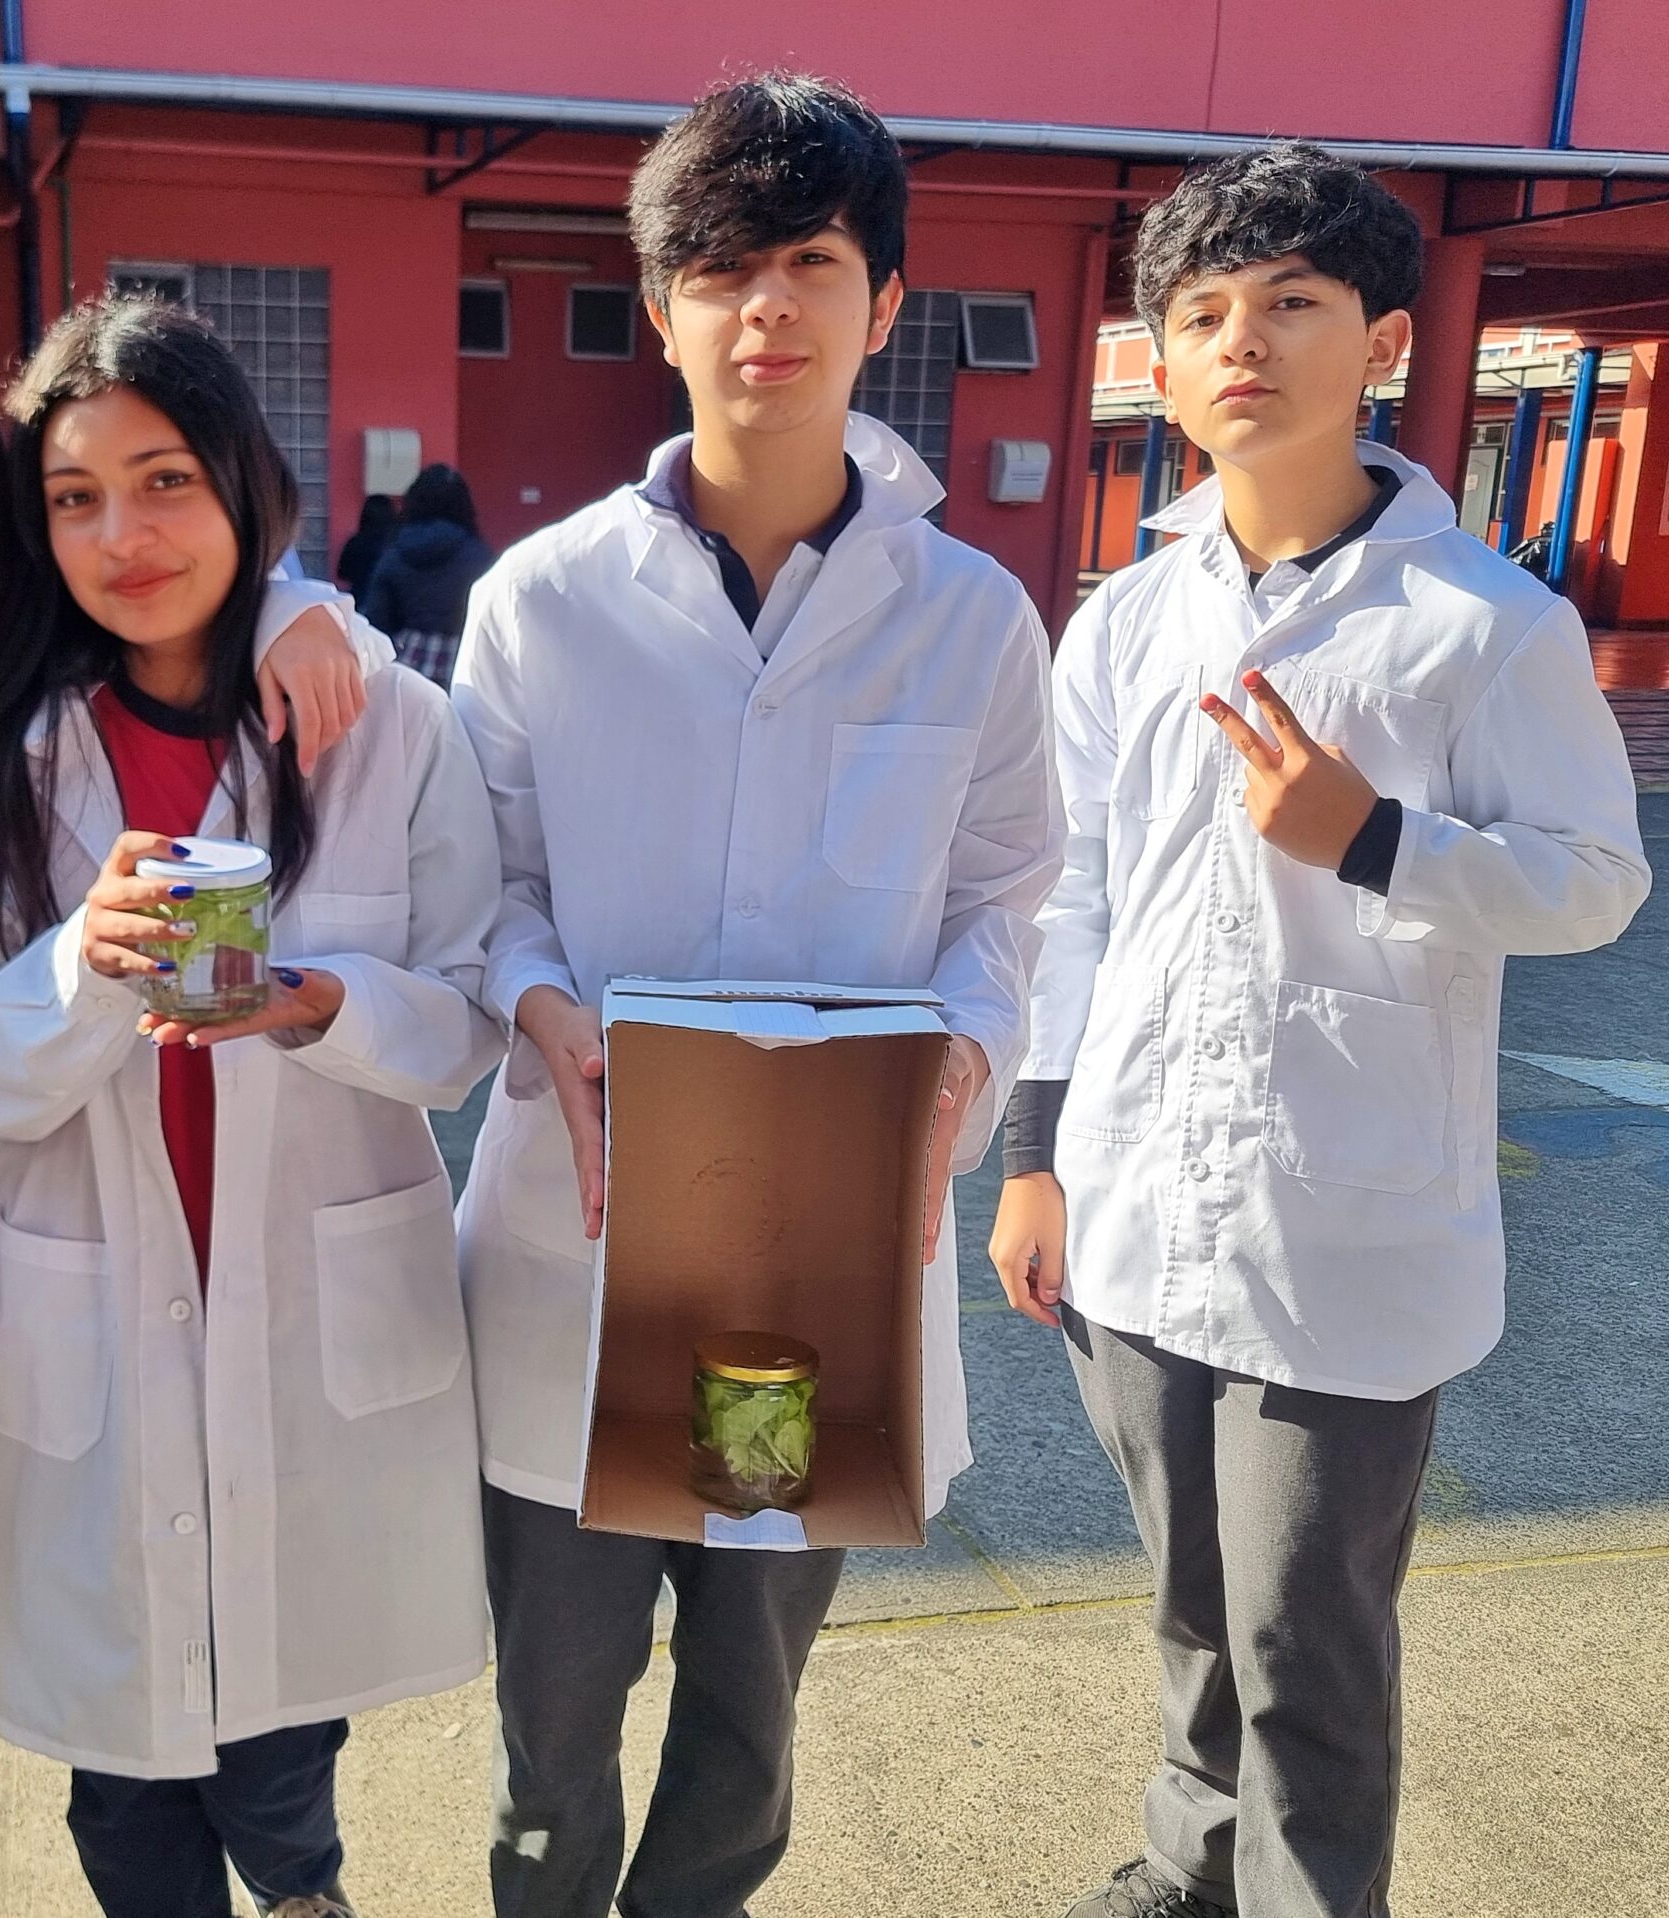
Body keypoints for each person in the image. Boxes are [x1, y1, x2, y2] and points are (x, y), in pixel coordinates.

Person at [987, 144, 1652, 1918]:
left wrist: (1375, 840)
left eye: (1292, 302)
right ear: (1160, 364)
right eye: (1204, 312)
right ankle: (1189, 1860)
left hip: (1339, 1217)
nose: (1245, 342)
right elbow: (1073, 900)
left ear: (1383, 342)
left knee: (1309, 1635)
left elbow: (1597, 880)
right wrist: (1036, 1153)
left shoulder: (1481, 626)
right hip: (1133, 1193)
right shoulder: (1125, 622)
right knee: (1193, 1601)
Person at [452, 75, 1058, 1918]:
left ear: (886, 302)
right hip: (583, 1248)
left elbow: (1011, 894)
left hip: (818, 1279)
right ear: (661, 310)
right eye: (720, 269)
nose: (766, 308)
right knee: (551, 1723)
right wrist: (541, 1008)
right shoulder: (544, 600)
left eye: (812, 262)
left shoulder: (970, 617)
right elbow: (482, 887)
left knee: (746, 1707)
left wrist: (962, 1059)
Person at [0, 296, 503, 1918]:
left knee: (282, 1727)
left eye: (164, 480)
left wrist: (324, 1005)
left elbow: (463, 1019)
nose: (125, 535)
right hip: (88, 1306)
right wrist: (79, 966)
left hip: (306, 1302)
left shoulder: (387, 727)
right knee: (121, 1748)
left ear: (244, 485)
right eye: (75, 496)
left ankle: (304, 1892)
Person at [360, 463, 494, 686]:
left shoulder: (394, 553)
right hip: (464, 667)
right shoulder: (480, 557)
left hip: (405, 669)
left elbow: (377, 620)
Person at [333, 491, 397, 598]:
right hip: (389, 597)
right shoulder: (395, 544)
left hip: (360, 596)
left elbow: (342, 573)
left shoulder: (356, 542)